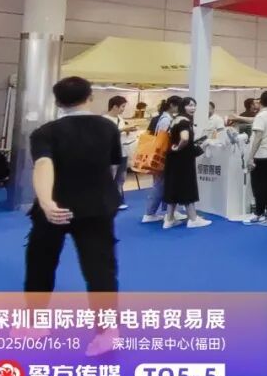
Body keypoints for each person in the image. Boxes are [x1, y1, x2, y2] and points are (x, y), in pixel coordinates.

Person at [24, 77, 122, 356]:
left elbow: (43, 164)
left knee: (40, 265)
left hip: (55, 209)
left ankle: (35, 324)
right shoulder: (108, 127)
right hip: (97, 208)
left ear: (57, 102)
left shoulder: (45, 132)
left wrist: (46, 201)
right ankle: (107, 332)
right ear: (90, 97)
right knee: (100, 270)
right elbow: (113, 165)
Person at [161, 97, 211, 229]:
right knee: (187, 187)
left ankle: (169, 219)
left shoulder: (175, 120)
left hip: (173, 159)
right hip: (183, 160)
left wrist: (176, 148)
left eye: (194, 105)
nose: (192, 108)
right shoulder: (184, 121)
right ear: (183, 106)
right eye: (189, 105)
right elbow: (184, 138)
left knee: (173, 187)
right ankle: (193, 219)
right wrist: (179, 147)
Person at [142, 96, 184, 223]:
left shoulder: (165, 118)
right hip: (164, 156)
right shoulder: (166, 120)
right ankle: (150, 213)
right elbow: (163, 140)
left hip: (163, 156)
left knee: (164, 185)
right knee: (160, 185)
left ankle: (169, 212)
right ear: (172, 105)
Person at [244, 91, 267, 223]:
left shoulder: (260, 116)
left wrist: (250, 157)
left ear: (260, 102)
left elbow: (258, 138)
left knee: (258, 184)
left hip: (261, 155)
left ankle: (259, 212)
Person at [103, 95, 137, 211]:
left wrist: (128, 132)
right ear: (115, 106)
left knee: (121, 178)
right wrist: (124, 129)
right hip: (110, 154)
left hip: (123, 152)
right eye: (122, 106)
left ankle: (118, 201)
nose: (123, 109)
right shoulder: (104, 120)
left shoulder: (120, 119)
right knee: (110, 178)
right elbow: (106, 135)